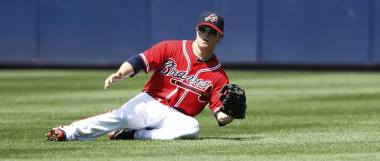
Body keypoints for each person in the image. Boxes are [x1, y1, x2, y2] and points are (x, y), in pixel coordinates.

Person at [45, 11, 241, 141]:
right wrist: (121, 72)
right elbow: (140, 60)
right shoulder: (171, 48)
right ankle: (67, 132)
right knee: (116, 117)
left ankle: (135, 135)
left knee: (192, 128)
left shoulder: (219, 76)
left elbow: (220, 116)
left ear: (220, 37)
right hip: (150, 103)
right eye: (202, 29)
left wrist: (230, 114)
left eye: (211, 31)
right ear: (196, 30)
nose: (206, 34)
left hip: (177, 117)